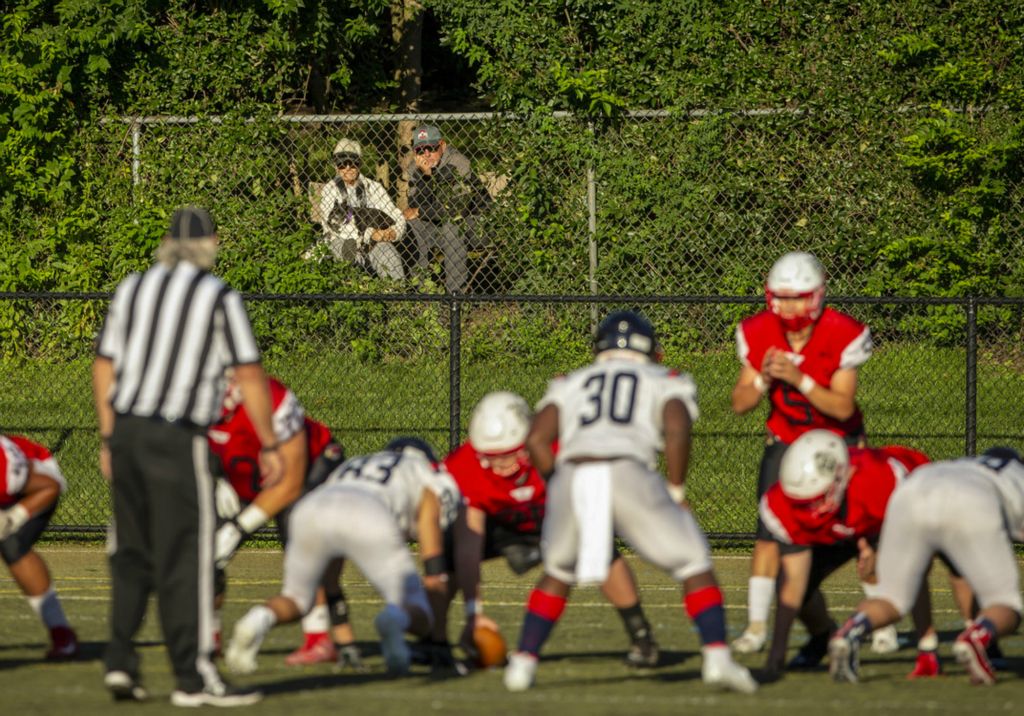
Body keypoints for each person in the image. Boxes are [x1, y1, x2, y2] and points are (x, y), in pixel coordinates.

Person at [503, 310, 757, 694]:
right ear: (650, 347)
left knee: (558, 571)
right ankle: (717, 658)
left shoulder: (572, 381)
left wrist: (562, 486)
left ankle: (522, 664)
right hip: (627, 469)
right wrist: (676, 489)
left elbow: (537, 439)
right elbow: (676, 427)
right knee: (693, 562)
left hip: (574, 472)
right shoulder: (664, 379)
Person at [93, 206, 283, 707]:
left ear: (166, 243)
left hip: (129, 432)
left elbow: (104, 365)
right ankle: (193, 678)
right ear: (210, 244)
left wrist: (109, 436)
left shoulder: (133, 288)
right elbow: (247, 374)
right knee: (188, 558)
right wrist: (268, 443)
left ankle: (119, 662)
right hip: (178, 437)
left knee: (131, 554)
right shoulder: (217, 296)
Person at [729, 251, 889, 655]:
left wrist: (798, 378)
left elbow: (843, 407)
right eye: (783, 297)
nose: (791, 306)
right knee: (769, 534)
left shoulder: (842, 331)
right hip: (786, 440)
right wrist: (763, 379)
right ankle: (757, 625)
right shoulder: (759, 330)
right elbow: (740, 402)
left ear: (817, 296)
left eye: (799, 296)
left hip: (840, 442)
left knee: (862, 533)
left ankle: (881, 621)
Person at [442, 390, 661, 669]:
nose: (501, 465)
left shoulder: (561, 447)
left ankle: (641, 635)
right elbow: (468, 543)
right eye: (491, 456)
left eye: (509, 453)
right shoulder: (463, 465)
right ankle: (433, 640)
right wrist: (474, 613)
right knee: (445, 559)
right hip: (501, 523)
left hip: (555, 515)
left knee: (600, 548)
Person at [225, 437, 468, 677]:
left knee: (297, 599)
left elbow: (331, 578)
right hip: (367, 510)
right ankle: (394, 620)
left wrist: (345, 643)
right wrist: (439, 642)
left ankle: (258, 618)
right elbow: (434, 570)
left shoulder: (356, 464)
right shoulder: (423, 474)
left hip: (312, 508)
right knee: (416, 607)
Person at [757, 430, 948, 680]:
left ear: (842, 478)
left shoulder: (880, 480)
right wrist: (777, 652)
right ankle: (823, 636)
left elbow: (913, 555)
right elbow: (793, 581)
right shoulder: (782, 503)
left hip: (891, 511)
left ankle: (946, 643)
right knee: (798, 589)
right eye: (802, 502)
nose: (808, 511)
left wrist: (876, 550)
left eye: (814, 501)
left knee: (913, 575)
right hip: (843, 523)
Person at [829, 447, 1024, 686]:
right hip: (971, 499)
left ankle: (850, 631)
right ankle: (976, 637)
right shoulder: (1016, 476)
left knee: (893, 599)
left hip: (912, 491)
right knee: (1006, 604)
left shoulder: (967, 464)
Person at [207, 372, 350, 667]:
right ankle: (209, 635)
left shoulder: (272, 399)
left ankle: (319, 636)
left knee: (303, 543)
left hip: (307, 468)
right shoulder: (183, 401)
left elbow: (290, 484)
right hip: (245, 475)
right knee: (206, 551)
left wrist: (239, 527)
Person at [0, 434, 78, 660]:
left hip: (35, 486)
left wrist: (12, 518)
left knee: (13, 545)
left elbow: (50, 487)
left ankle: (62, 634)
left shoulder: (4, 470)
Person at [403, 125, 491, 293]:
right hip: (440, 224)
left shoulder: (459, 163)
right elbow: (415, 206)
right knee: (413, 226)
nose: (426, 154)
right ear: (415, 153)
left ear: (442, 145)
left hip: (478, 225)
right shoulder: (416, 169)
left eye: (431, 148)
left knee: (452, 226)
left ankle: (455, 297)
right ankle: (420, 291)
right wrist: (425, 177)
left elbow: (456, 209)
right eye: (420, 150)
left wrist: (421, 211)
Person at [311, 138, 406, 280]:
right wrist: (370, 234)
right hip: (340, 241)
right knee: (344, 249)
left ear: (359, 163)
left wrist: (393, 232)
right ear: (336, 166)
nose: (348, 167)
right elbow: (335, 227)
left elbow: (396, 215)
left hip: (374, 244)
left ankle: (397, 296)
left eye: (352, 162)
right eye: (342, 163)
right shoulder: (330, 189)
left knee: (389, 254)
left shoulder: (374, 188)